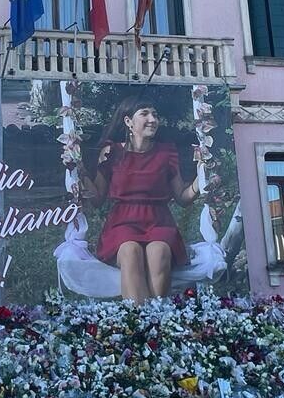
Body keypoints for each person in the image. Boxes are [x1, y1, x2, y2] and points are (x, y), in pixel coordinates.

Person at [81, 96, 201, 302]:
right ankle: (139, 322)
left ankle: (158, 320)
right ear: (128, 122)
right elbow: (98, 198)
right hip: (122, 222)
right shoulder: (111, 152)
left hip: (159, 221)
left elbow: (183, 197)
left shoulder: (167, 152)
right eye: (144, 113)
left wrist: (202, 178)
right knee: (130, 251)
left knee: (159, 252)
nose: (152, 119)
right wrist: (79, 172)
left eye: (155, 114)